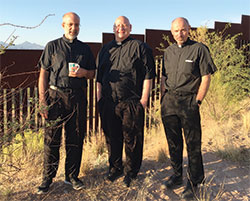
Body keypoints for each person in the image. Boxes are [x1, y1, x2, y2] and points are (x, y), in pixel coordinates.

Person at [37, 12, 96, 194]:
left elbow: (93, 74)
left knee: (76, 138)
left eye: (77, 25)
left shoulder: (85, 49)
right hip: (55, 97)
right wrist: (42, 100)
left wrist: (83, 73)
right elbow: (43, 74)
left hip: (77, 97)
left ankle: (72, 176)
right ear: (63, 25)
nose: (74, 28)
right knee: (51, 139)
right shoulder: (52, 46)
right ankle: (48, 178)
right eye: (70, 24)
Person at [160, 17, 217, 199]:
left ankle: (195, 182)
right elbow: (163, 77)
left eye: (183, 30)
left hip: (189, 102)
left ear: (189, 29)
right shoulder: (168, 51)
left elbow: (206, 77)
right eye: (176, 30)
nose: (180, 33)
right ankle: (177, 176)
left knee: (193, 144)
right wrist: (163, 98)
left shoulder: (199, 49)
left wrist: (197, 102)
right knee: (173, 143)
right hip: (169, 103)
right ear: (172, 32)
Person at [96, 16, 156, 187]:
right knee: (112, 138)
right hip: (109, 102)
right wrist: (99, 99)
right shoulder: (105, 50)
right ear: (113, 28)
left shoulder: (140, 47)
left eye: (124, 25)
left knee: (132, 139)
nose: (120, 28)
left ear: (130, 27)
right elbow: (99, 78)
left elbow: (148, 75)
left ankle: (131, 172)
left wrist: (143, 100)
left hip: (131, 102)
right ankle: (115, 168)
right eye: (117, 26)